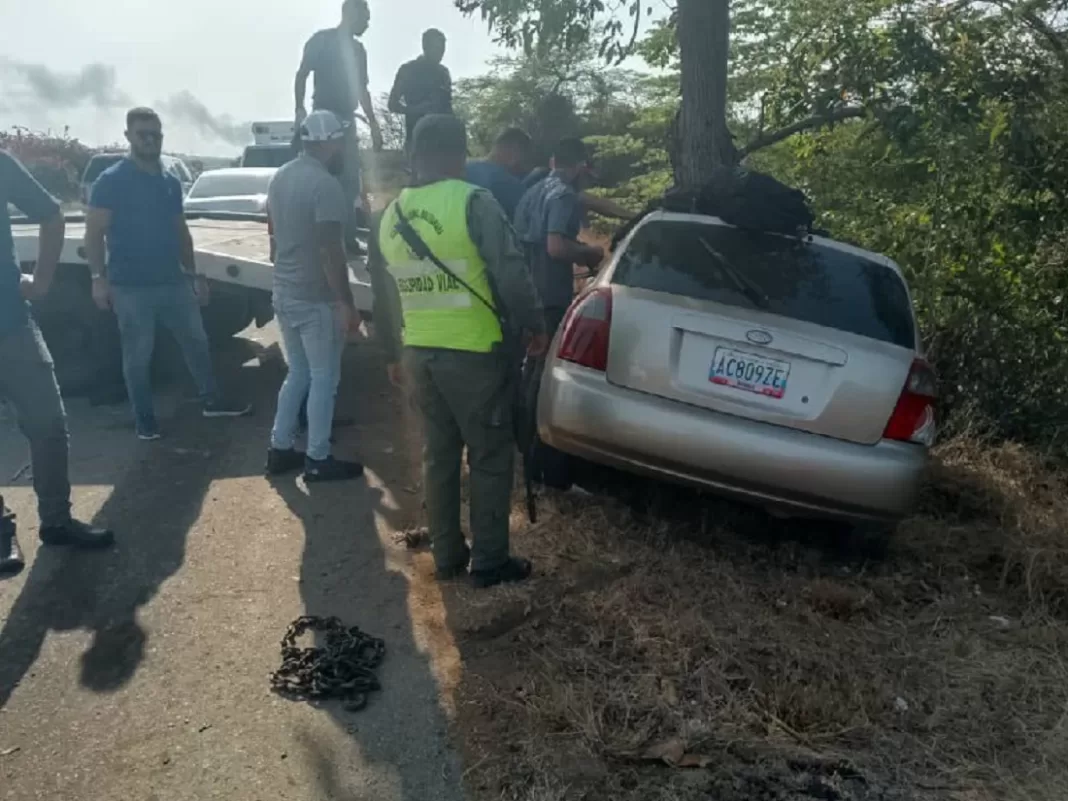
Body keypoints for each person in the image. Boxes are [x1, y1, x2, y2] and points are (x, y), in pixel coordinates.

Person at [369, 114, 547, 589]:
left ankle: (447, 555)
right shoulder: (473, 201)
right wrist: (534, 324)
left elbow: (383, 295)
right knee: (489, 456)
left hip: (418, 352)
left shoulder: (390, 215)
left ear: (415, 157)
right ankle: (489, 561)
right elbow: (511, 272)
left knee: (439, 454)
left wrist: (390, 354)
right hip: (473, 352)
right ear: (457, 155)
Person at [85, 107, 251, 441]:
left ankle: (212, 401)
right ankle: (145, 422)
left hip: (173, 281)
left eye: (156, 134)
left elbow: (181, 232)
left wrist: (193, 275)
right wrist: (98, 279)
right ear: (128, 136)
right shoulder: (111, 181)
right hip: (130, 286)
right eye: (143, 134)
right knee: (138, 357)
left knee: (197, 342)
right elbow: (93, 233)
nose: (150, 140)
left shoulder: (169, 182)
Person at [0, 150, 114, 575]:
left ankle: (57, 520)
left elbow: (51, 215)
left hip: (11, 323)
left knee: (48, 423)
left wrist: (44, 280)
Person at [265, 110, 365, 483]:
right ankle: (318, 458)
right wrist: (346, 302)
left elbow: (273, 232)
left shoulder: (282, 175)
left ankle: (280, 448)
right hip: (315, 299)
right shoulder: (325, 185)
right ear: (328, 142)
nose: (343, 146)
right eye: (340, 140)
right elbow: (329, 249)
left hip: (285, 291)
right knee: (325, 378)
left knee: (299, 373)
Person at [295, 0, 384, 249]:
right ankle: (318, 237)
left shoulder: (358, 50)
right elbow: (302, 74)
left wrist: (374, 124)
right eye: (365, 17)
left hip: (346, 119)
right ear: (351, 13)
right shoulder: (321, 40)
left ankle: (347, 238)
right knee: (319, 176)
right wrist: (299, 109)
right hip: (322, 119)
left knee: (349, 180)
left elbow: (362, 89)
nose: (367, 23)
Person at [513, 137, 607, 335]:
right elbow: (556, 247)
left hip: (524, 294)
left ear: (553, 162)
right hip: (550, 297)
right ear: (580, 167)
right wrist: (589, 252)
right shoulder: (564, 194)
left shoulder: (532, 191)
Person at [388, 29, 453, 153]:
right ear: (425, 47)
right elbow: (392, 104)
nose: (441, 53)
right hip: (416, 136)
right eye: (437, 48)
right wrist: (417, 110)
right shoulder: (408, 70)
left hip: (442, 138)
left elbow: (448, 105)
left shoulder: (443, 73)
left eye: (443, 49)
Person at [465, 127, 534, 221]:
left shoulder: (461, 169)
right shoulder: (511, 186)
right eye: (525, 160)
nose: (525, 169)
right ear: (515, 150)